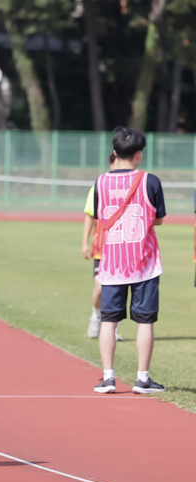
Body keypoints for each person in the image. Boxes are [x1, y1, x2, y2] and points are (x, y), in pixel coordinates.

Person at [91, 127, 165, 395]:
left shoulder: (100, 182)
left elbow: (100, 217)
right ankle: (142, 379)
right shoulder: (150, 181)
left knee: (108, 321)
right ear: (139, 155)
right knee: (145, 322)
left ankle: (108, 378)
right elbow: (158, 220)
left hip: (112, 264)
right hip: (144, 263)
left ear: (114, 152)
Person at [82, 153, 122, 341]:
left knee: (118, 291)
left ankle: (113, 328)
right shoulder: (99, 186)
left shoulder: (129, 186)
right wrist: (85, 242)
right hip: (101, 249)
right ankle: (96, 315)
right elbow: (90, 216)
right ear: (112, 164)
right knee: (100, 289)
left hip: (122, 248)